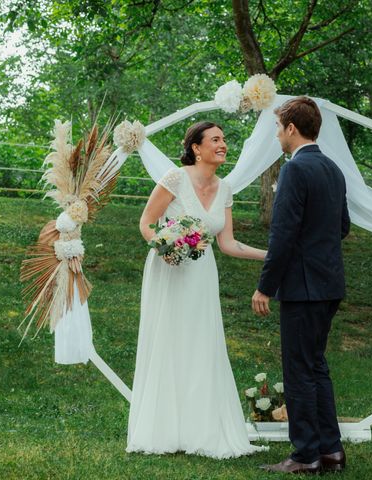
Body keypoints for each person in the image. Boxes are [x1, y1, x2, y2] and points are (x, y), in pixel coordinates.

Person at [127, 121, 268, 458]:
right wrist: (166, 246)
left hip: (202, 273)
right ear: (196, 148)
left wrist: (272, 256)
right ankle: (164, 430)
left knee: (202, 343)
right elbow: (146, 222)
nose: (223, 145)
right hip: (170, 269)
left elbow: (229, 243)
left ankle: (202, 429)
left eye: (224, 140)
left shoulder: (226, 188)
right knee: (170, 341)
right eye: (215, 140)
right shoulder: (175, 179)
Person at [252, 97, 350, 474]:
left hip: (303, 287)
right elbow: (342, 227)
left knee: (298, 371)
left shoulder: (295, 170)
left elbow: (282, 235)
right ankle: (331, 452)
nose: (277, 135)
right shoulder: (334, 169)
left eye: (278, 128)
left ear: (292, 128)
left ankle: (305, 454)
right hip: (330, 284)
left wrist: (265, 286)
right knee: (316, 367)